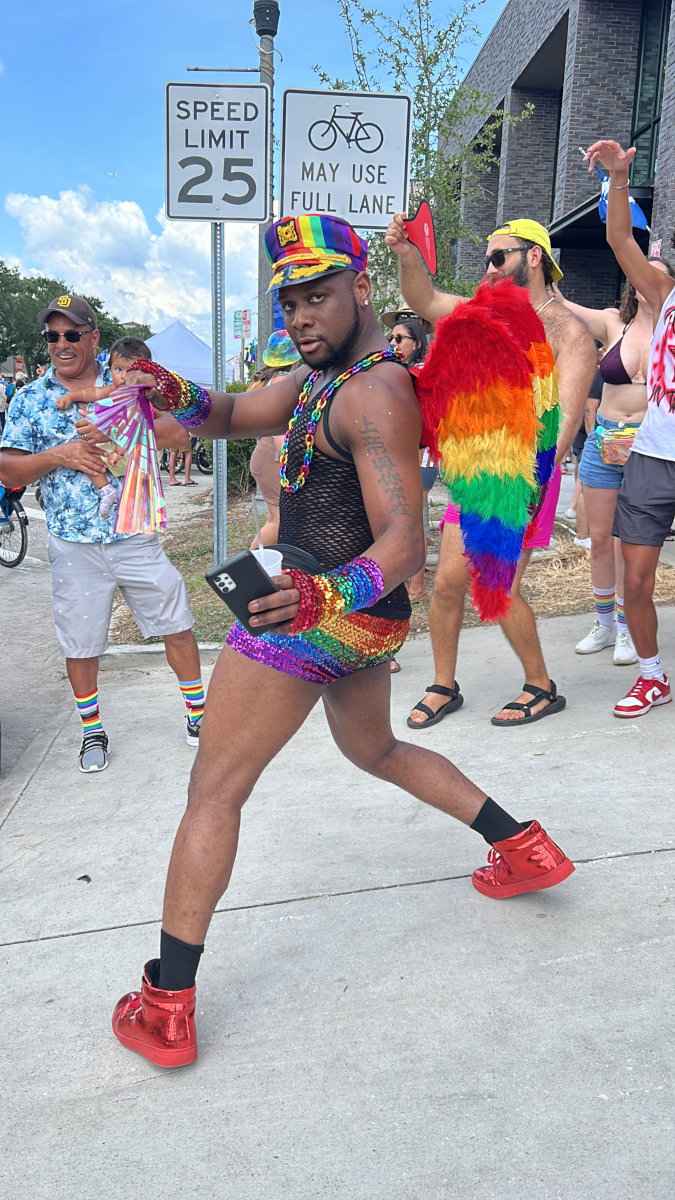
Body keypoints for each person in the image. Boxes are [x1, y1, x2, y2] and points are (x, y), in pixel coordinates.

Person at [108, 214, 575, 1069]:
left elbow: (405, 544)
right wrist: (164, 386)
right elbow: (237, 412)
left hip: (316, 616)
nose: (301, 318)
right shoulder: (319, 375)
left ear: (363, 287)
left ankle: (166, 1004)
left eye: (317, 296)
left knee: (212, 793)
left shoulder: (372, 390)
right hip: (358, 625)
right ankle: (521, 845)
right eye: (290, 303)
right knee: (377, 750)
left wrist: (315, 594)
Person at [386, 214, 597, 728]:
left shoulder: (571, 333)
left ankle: (541, 685)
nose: (490, 268)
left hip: (526, 475)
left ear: (533, 258)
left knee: (500, 590)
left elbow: (566, 422)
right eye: (487, 259)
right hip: (479, 470)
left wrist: (528, 491)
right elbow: (426, 302)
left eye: (498, 257)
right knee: (446, 585)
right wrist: (407, 254)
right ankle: (443, 683)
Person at [0, 294, 206, 772]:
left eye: (72, 334)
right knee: (80, 641)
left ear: (93, 337)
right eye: (53, 336)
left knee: (176, 620)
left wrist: (135, 425)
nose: (62, 344)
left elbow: (180, 436)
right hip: (74, 543)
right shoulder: (31, 398)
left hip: (133, 532)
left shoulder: (128, 383)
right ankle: (92, 732)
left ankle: (198, 716)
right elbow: (7, 468)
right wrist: (60, 455)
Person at [584, 139, 675, 717]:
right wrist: (620, 177)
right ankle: (651, 675)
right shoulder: (665, 295)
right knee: (636, 579)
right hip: (654, 456)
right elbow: (620, 240)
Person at [556, 258, 675, 665]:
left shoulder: (670, 327)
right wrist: (540, 267)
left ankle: (627, 627)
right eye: (643, 270)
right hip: (605, 441)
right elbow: (561, 304)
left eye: (657, 271)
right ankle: (603, 622)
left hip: (649, 449)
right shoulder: (612, 323)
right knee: (601, 539)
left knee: (631, 544)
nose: (648, 278)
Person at [249, 330, 302, 547]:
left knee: (278, 520)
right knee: (278, 521)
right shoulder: (283, 381)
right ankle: (246, 573)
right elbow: (282, 429)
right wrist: (289, 460)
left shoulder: (271, 380)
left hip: (266, 456)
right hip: (275, 458)